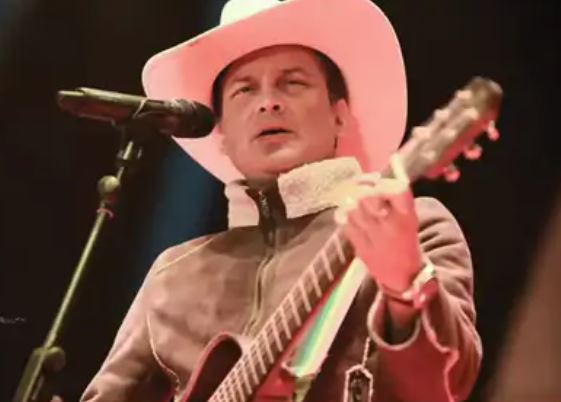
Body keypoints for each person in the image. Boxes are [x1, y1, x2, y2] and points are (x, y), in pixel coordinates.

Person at [81, 0, 482, 400]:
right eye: (245, 90)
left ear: (340, 114)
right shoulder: (173, 275)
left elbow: (447, 386)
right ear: (221, 135)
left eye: (293, 83)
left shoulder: (410, 227)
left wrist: (408, 285)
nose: (268, 102)